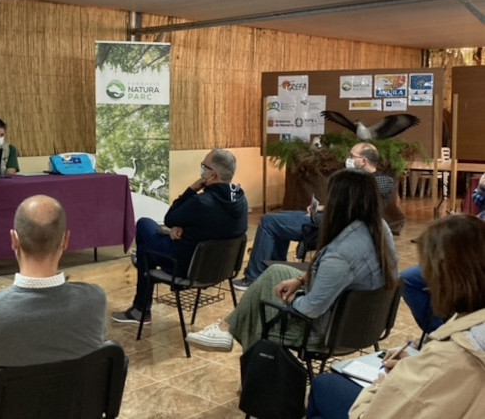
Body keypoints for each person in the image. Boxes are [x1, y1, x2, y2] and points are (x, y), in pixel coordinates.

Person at [186, 168, 398, 352]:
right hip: (365, 321)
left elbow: (310, 308)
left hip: (330, 331)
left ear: (339, 202)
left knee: (260, 316)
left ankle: (257, 382)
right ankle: (225, 328)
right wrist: (302, 280)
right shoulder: (380, 228)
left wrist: (291, 300)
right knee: (276, 271)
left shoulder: (341, 255)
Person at [306, 214, 485, 419]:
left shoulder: (450, 356)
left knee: (323, 385)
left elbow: (369, 415)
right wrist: (416, 369)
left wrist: (386, 383)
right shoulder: (468, 336)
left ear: (443, 278)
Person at [0, 195, 107, 413]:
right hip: (71, 406)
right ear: (66, 241)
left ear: (14, 240)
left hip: (5, 408)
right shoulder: (95, 299)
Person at [111, 149, 249, 324]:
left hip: (186, 267)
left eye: (204, 166)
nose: (202, 170)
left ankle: (141, 307)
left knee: (144, 227)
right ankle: (143, 271)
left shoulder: (200, 202)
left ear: (212, 175)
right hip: (221, 269)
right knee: (148, 248)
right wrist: (181, 225)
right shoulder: (241, 200)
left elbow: (169, 218)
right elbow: (203, 222)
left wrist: (192, 189)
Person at [234, 142, 393, 291]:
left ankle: (253, 277)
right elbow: (348, 204)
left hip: (330, 226)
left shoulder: (378, 182)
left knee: (269, 221)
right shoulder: (356, 180)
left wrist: (323, 212)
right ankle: (275, 271)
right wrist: (322, 207)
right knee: (281, 217)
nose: (348, 159)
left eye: (352, 156)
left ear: (363, 161)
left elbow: (354, 207)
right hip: (330, 219)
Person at [400, 172, 485, 336]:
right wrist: (482, 187)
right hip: (473, 244)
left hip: (476, 254)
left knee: (410, 279)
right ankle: (441, 332)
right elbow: (478, 201)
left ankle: (443, 335)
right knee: (410, 276)